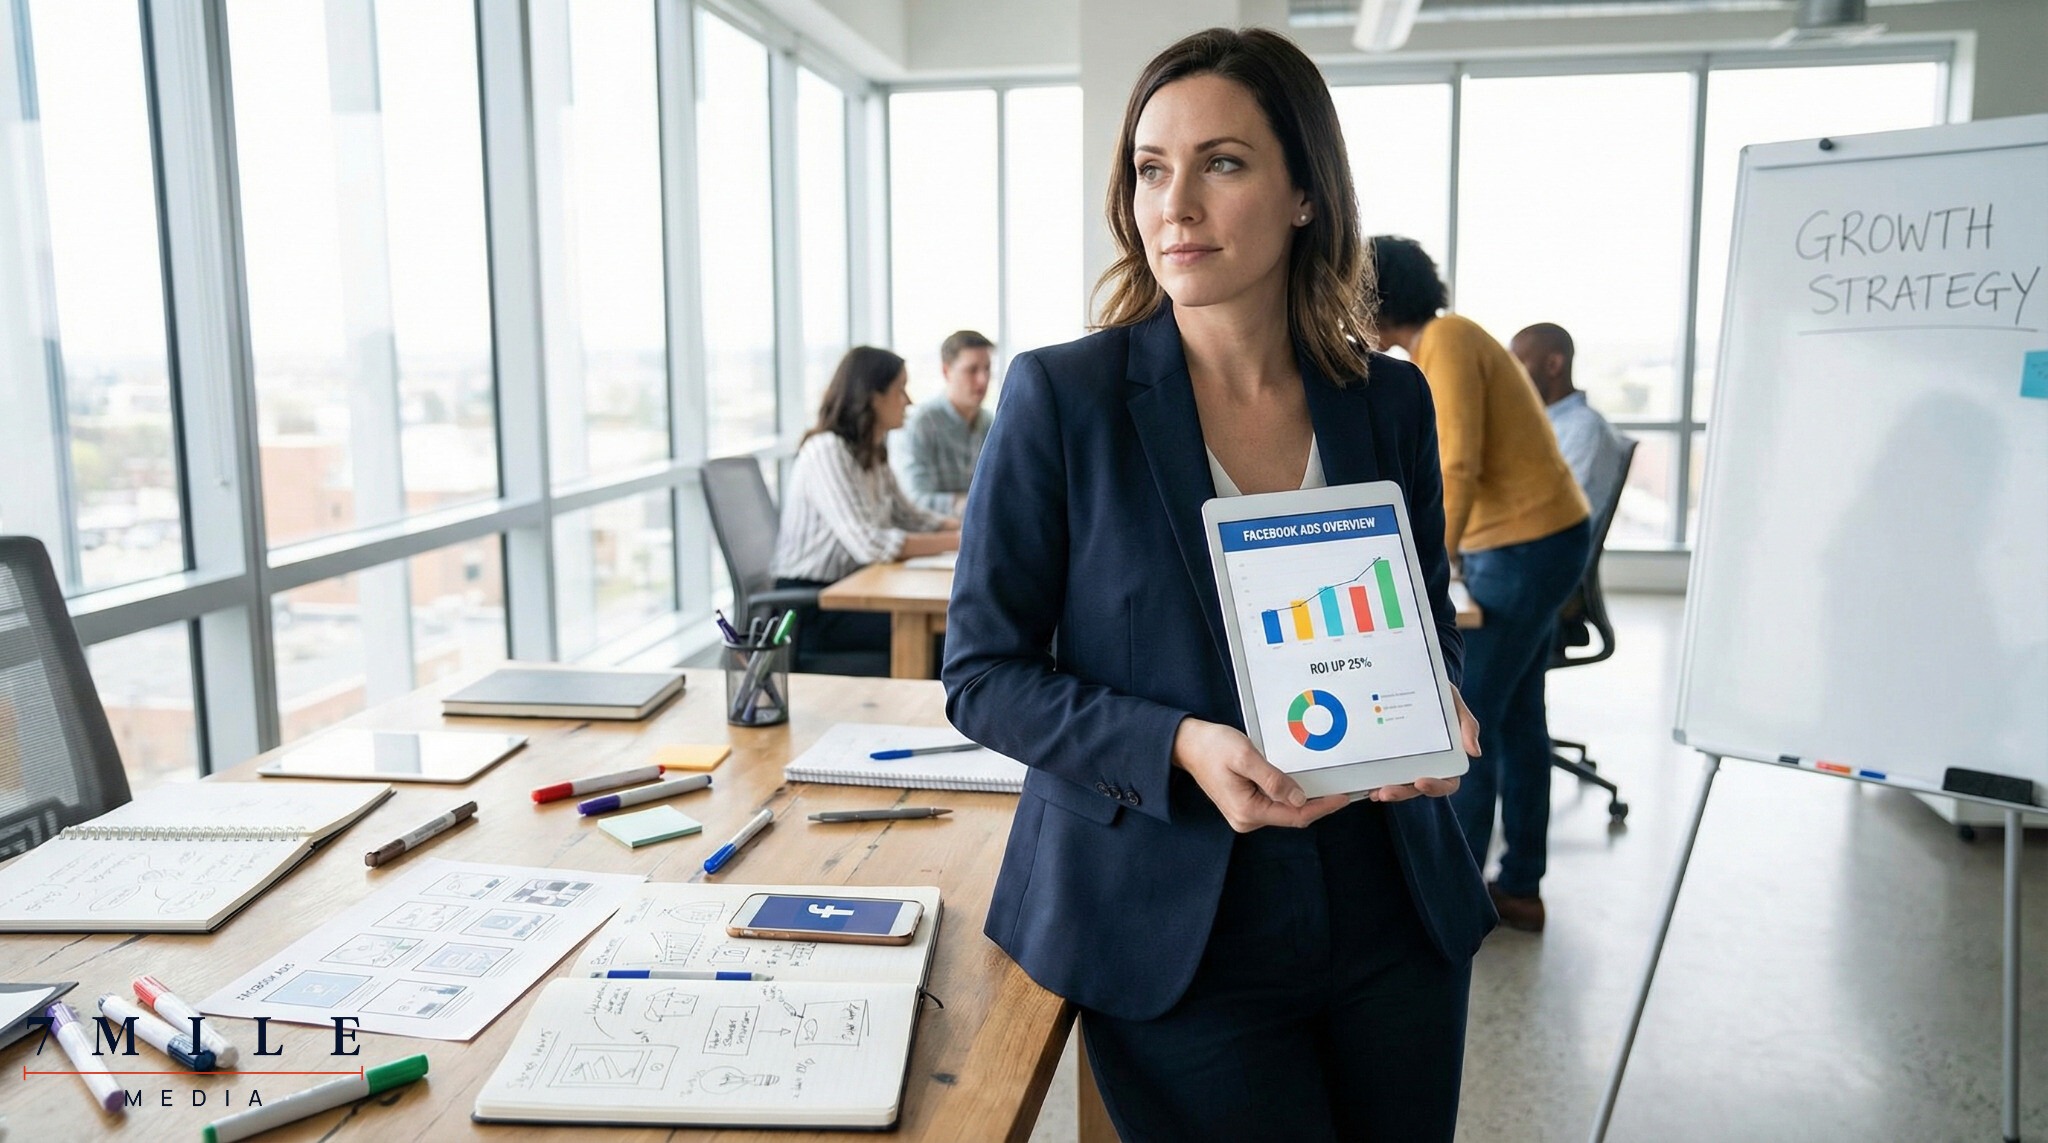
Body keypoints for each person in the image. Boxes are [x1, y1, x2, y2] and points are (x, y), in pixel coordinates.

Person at [943, 29, 1490, 1142]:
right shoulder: (1063, 398)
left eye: (1222, 163)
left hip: (1388, 899)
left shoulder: (1385, 400)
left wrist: (1438, 703)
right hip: (1176, 914)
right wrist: (1180, 744)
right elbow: (981, 675)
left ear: (1302, 194)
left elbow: (1425, 622)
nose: (1174, 204)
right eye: (1151, 168)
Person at [1369, 236, 1592, 934]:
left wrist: (1428, 566)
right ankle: (1518, 886)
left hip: (1524, 544)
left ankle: (1451, 897)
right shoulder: (1441, 342)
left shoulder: (1449, 339)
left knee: (1466, 725)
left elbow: (1456, 463)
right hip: (1538, 538)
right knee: (1518, 720)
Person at [772, 346, 959, 671]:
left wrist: (966, 526)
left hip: (855, 590)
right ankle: (913, 719)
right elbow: (871, 543)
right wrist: (960, 540)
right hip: (812, 610)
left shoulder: (871, 452)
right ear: (873, 396)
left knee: (956, 630)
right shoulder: (827, 451)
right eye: (900, 389)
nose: (909, 401)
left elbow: (911, 517)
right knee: (950, 637)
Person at [1511, 322, 1631, 538]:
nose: (1511, 379)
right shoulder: (1542, 425)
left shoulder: (1584, 429)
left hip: (1548, 560)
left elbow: (1562, 518)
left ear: (1553, 365)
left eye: (1518, 367)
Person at [895, 330, 995, 514]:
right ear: (946, 371)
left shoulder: (992, 424)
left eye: (987, 369)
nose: (983, 380)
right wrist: (970, 504)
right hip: (937, 538)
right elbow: (915, 500)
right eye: (972, 370)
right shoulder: (920, 424)